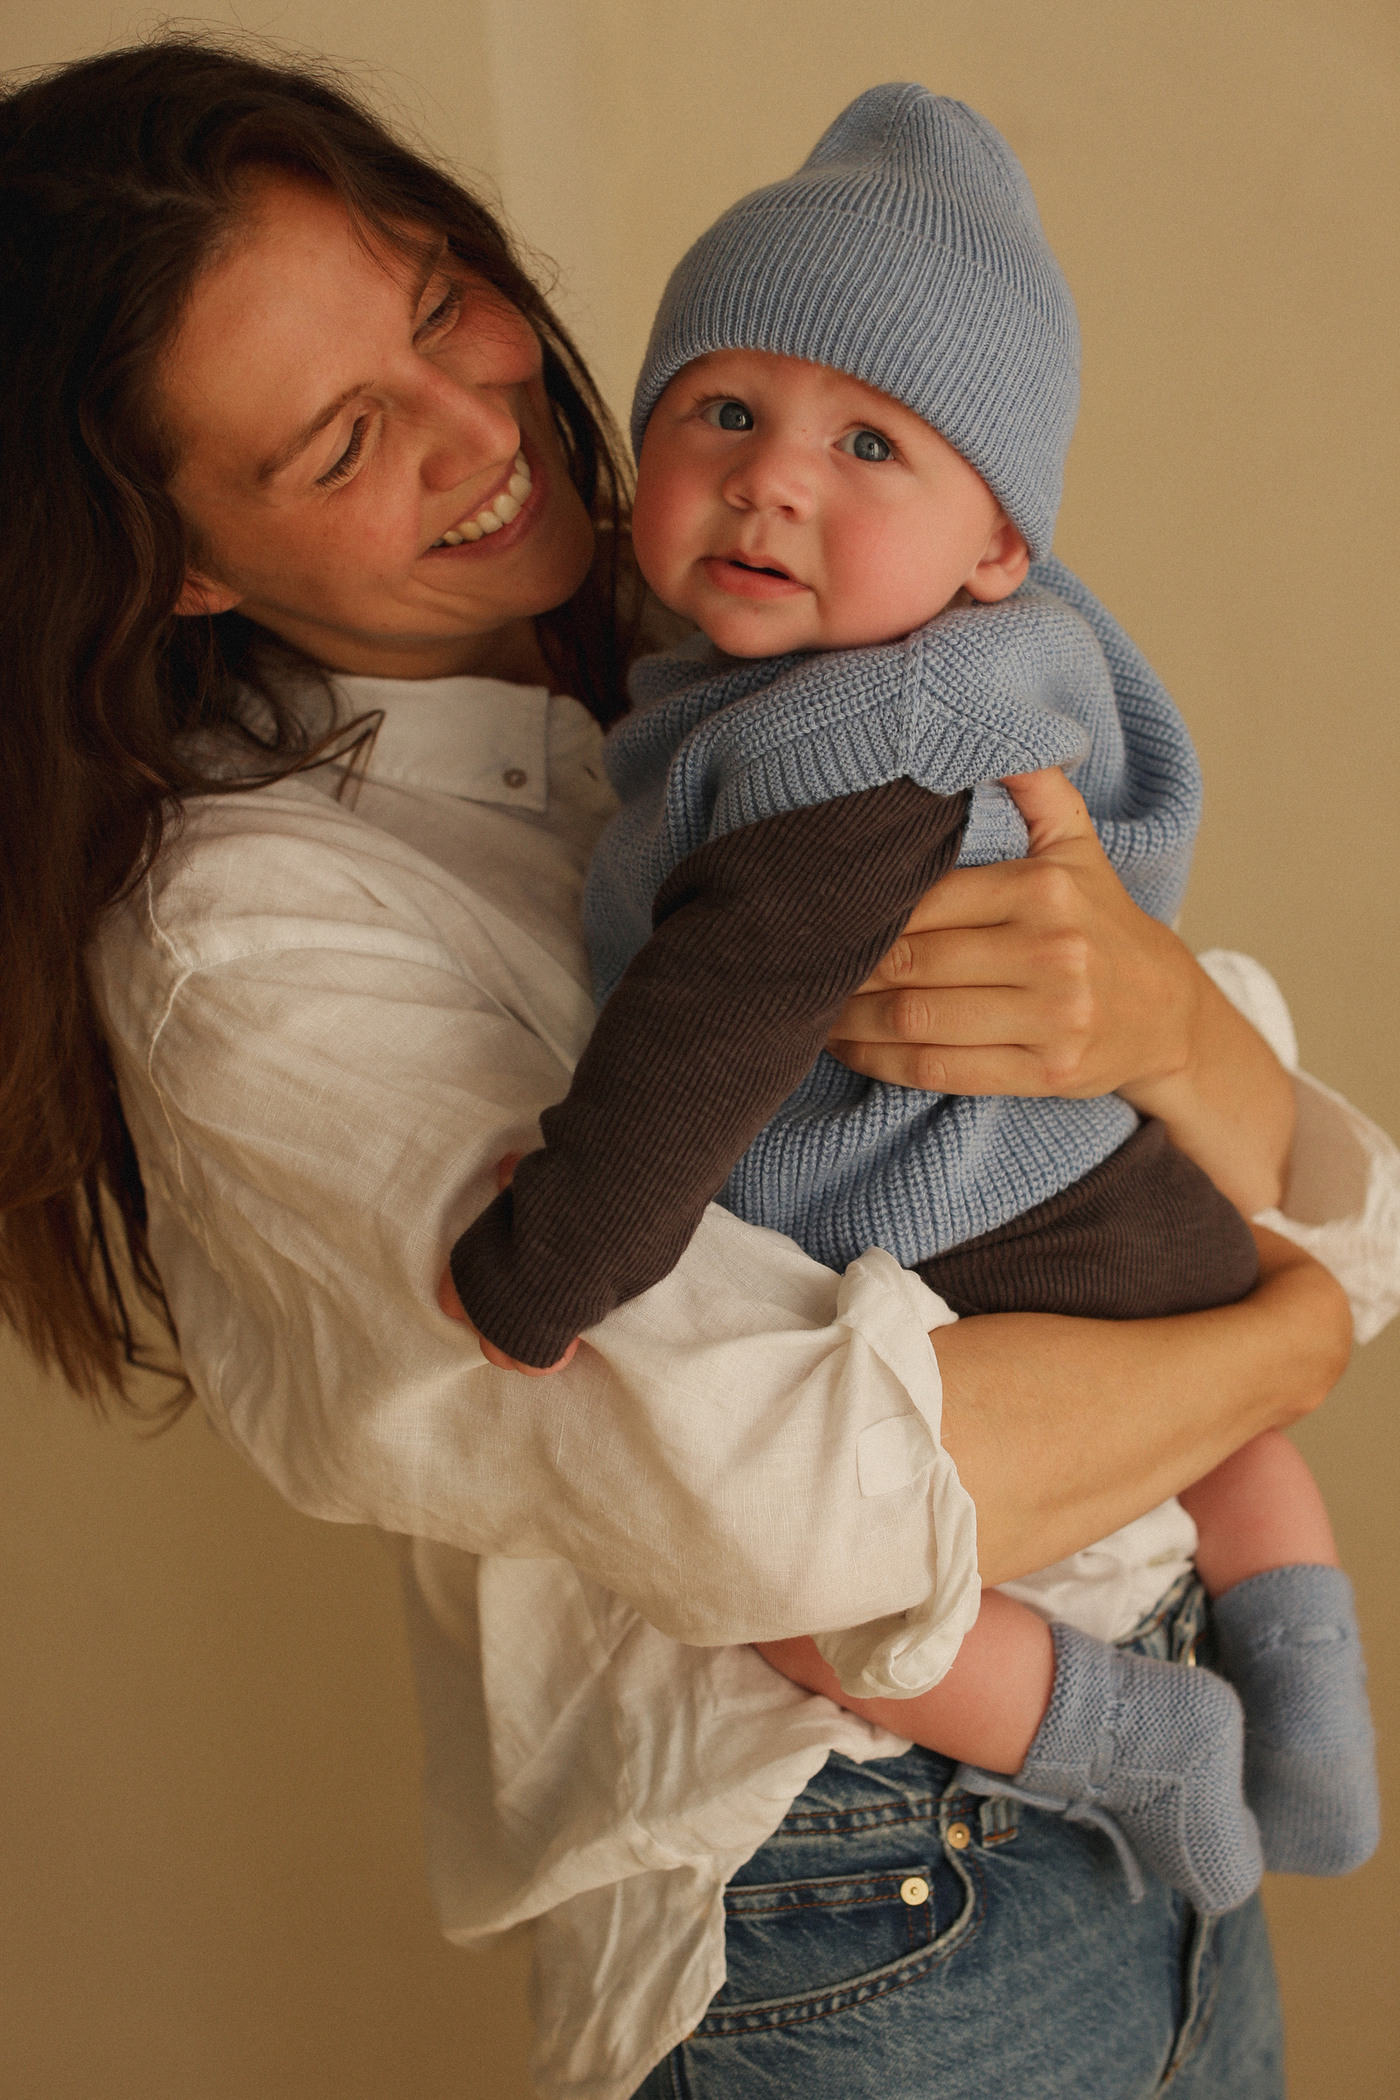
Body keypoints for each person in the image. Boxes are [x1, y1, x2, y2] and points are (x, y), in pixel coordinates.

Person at [0, 40, 1391, 2100]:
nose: (482, 426)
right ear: (176, 560)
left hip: (1151, 1773)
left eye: (439, 306)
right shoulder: (247, 935)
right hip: (860, 1906)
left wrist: (1168, 1028)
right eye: (345, 438)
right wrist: (1289, 1338)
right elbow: (795, 1508)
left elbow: (1258, 1151)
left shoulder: (735, 650)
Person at [441, 87, 1380, 1921]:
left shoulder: (845, 753)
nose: (773, 479)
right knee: (1234, 1428)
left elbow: (700, 1040)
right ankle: (1313, 1697)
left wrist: (546, 1265)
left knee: (780, 1584)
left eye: (871, 442)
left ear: (996, 546)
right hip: (1131, 1194)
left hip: (985, 1225)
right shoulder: (927, 676)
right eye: (724, 411)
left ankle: (1134, 1737)